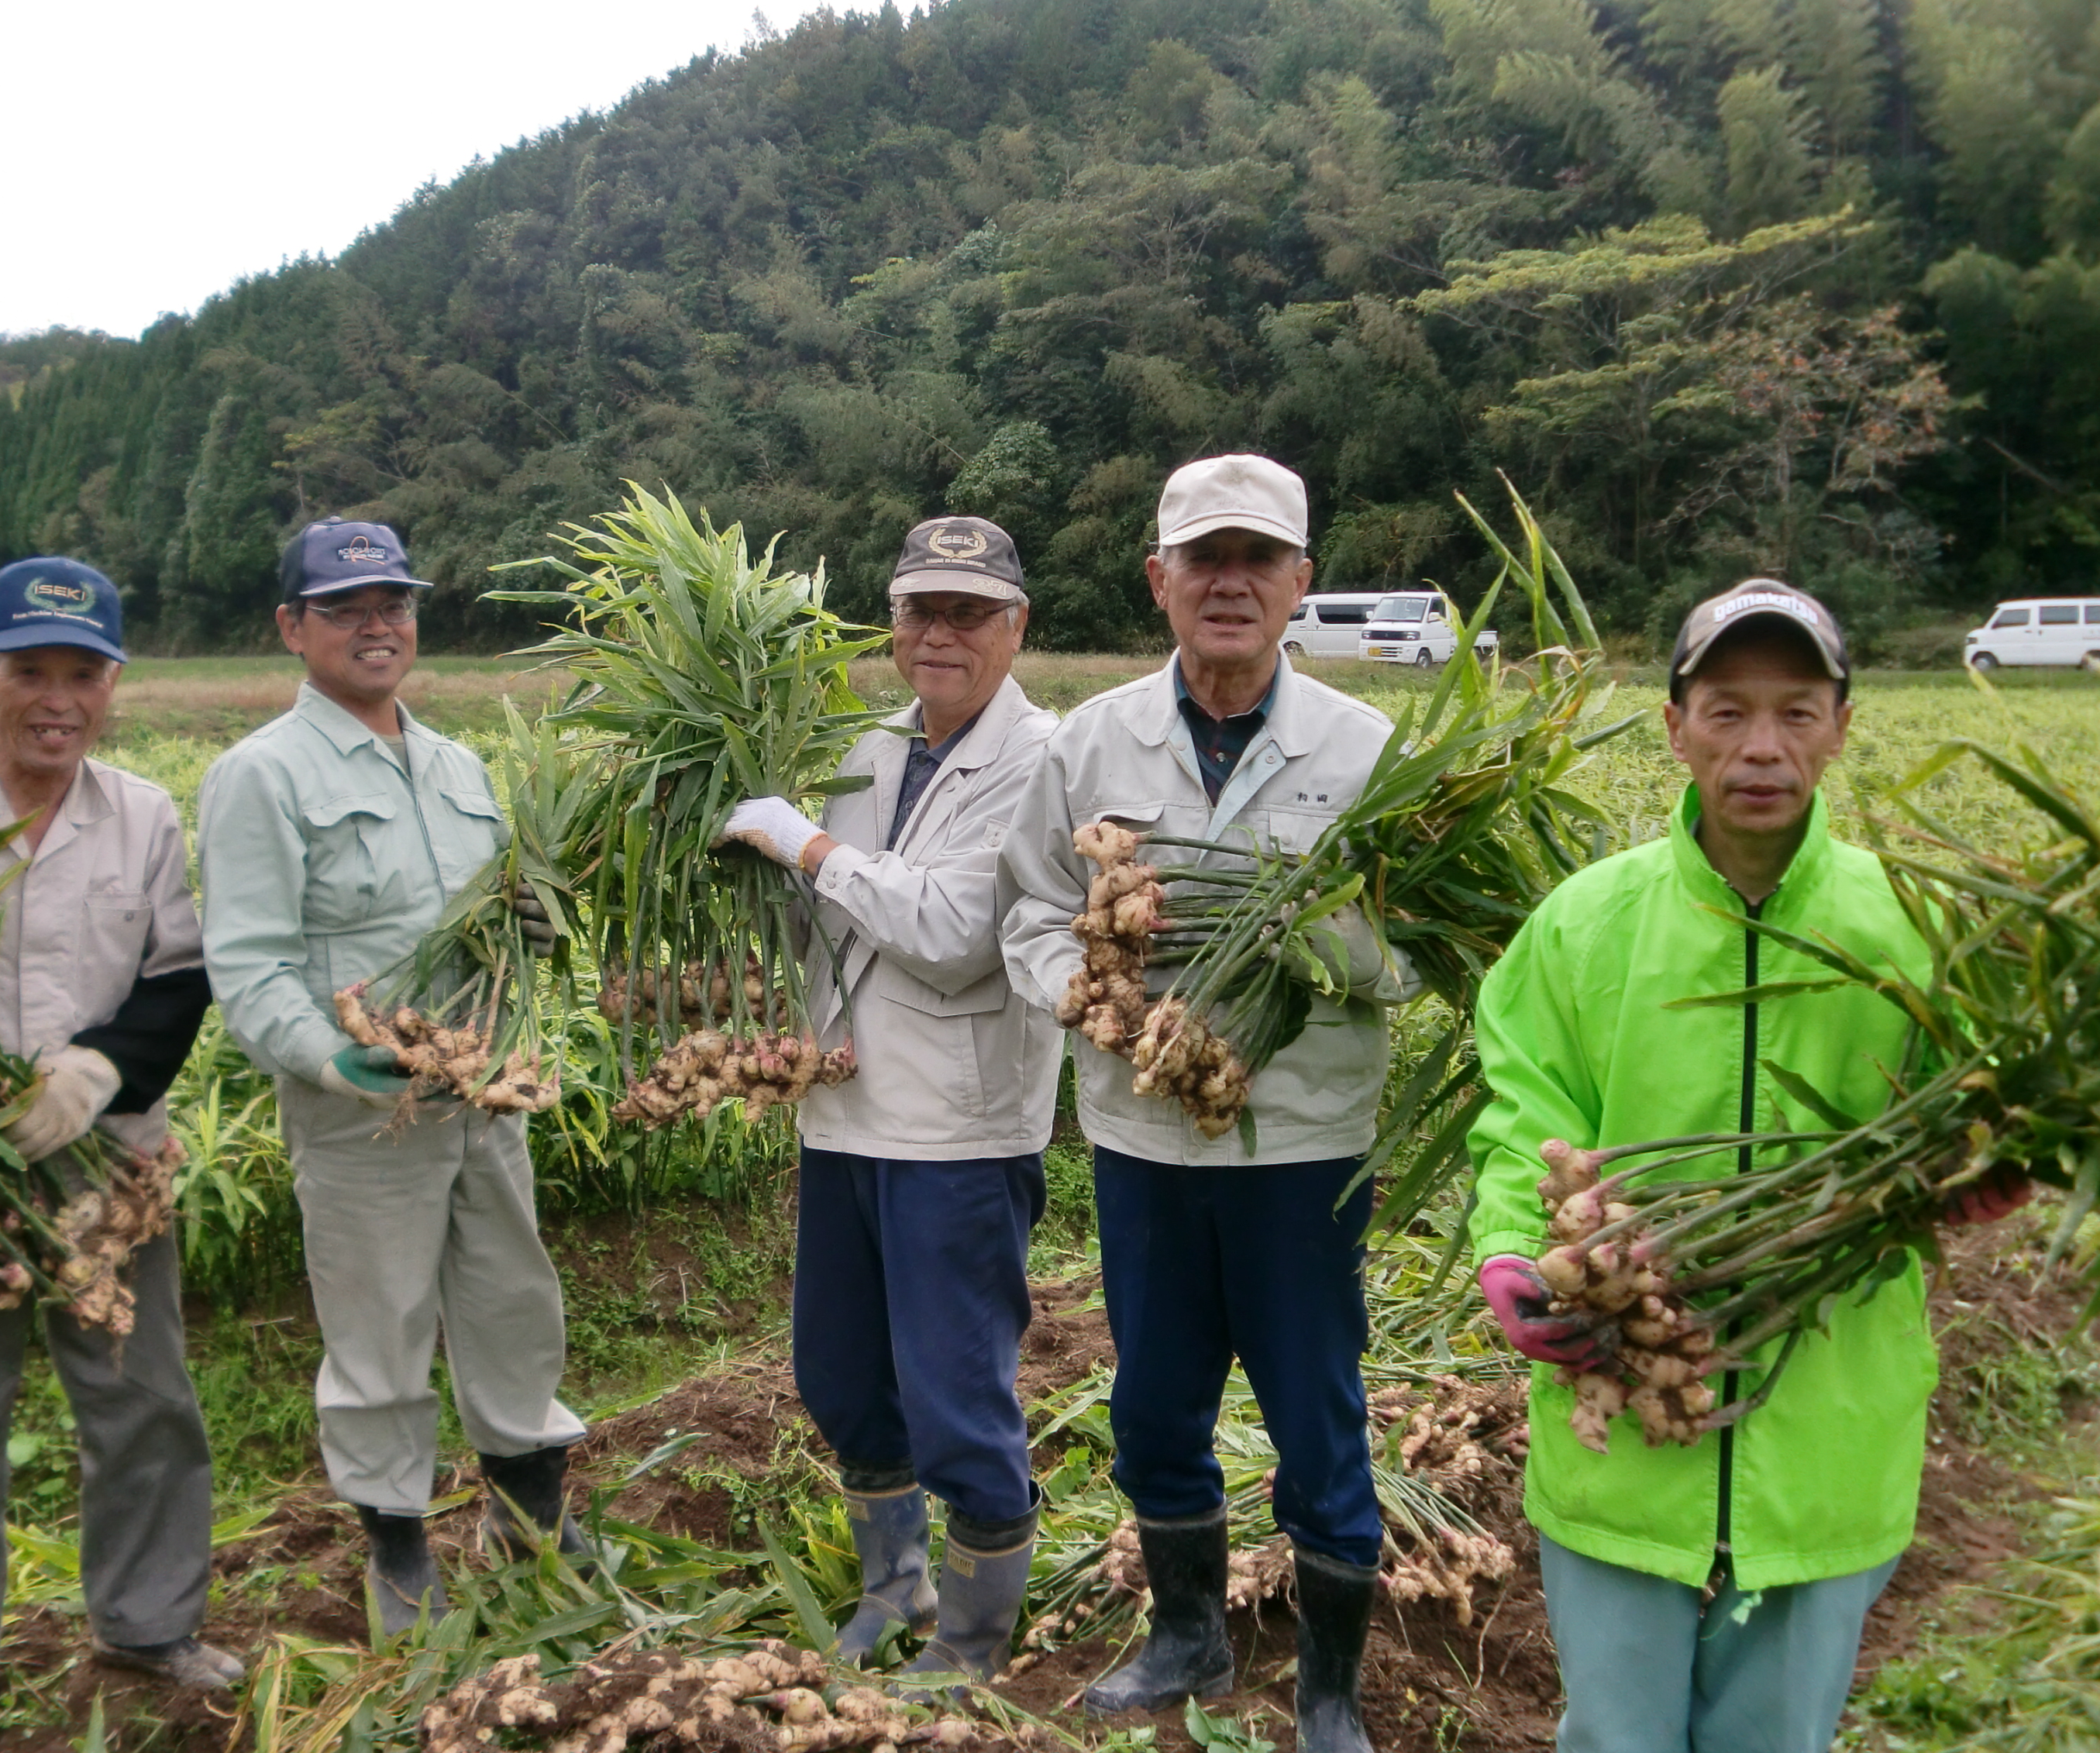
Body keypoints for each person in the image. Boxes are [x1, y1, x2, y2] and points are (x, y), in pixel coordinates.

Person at [1468, 580, 2026, 1753]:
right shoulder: (1587, 923)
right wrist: (1516, 1253)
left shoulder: (1914, 926)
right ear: (1677, 729)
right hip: (1623, 1388)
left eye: (1796, 712)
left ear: (1841, 728)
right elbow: (1527, 1116)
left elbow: (1971, 1115)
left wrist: (1985, 1167)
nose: (1761, 747)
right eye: (1726, 712)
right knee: (1615, 1738)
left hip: (1827, 1414)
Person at [998, 456, 1410, 1749]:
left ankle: (1328, 1689)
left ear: (1300, 582)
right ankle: (1188, 1638)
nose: (1230, 583)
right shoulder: (1089, 741)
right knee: (1153, 1404)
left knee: (1317, 1412)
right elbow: (1028, 907)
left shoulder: (1368, 751)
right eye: (1204, 558)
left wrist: (1303, 943)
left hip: (1302, 1142)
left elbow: (1424, 944)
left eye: (1258, 559)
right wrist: (1084, 990)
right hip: (1145, 1138)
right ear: (1159, 580)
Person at [196, 518, 583, 1641]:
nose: (377, 625)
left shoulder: (457, 766)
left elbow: (496, 927)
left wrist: (538, 924)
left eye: (394, 605)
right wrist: (335, 1057)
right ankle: (400, 1550)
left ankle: (529, 1517)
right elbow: (249, 964)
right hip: (361, 1115)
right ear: (293, 628)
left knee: (514, 1303)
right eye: (345, 609)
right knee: (379, 1330)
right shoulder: (261, 775)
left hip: (480, 1098)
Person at [0, 558, 236, 1752]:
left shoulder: (141, 815)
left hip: (106, 1172)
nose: (57, 700)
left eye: (83, 674)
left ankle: (147, 1624)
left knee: (143, 1406)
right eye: (30, 671)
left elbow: (176, 982)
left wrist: (92, 1076)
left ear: (113, 685)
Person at [719, 517, 1063, 1682]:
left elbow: (956, 934)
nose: (941, 635)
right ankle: (894, 1587)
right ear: (894, 621)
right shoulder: (864, 749)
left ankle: (973, 1639)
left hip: (957, 1128)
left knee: (956, 1392)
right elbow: (824, 917)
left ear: (1016, 625)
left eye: (970, 612)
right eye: (922, 610)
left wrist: (807, 847)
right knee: (841, 1374)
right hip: (844, 1109)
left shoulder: (1041, 761)